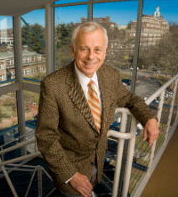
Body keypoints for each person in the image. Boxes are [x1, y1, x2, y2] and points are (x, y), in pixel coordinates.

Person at [36, 21, 159, 197]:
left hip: (99, 163)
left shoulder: (111, 75)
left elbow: (128, 98)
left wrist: (149, 118)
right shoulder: (53, 85)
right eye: (84, 49)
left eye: (97, 49)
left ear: (105, 51)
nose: (91, 56)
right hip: (72, 172)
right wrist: (70, 175)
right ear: (73, 50)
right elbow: (45, 137)